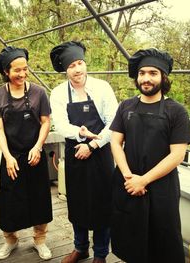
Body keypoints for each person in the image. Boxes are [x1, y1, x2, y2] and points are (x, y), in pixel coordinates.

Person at [109, 48, 190, 263]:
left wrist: (143, 180)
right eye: (142, 73)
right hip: (128, 183)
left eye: (153, 73)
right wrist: (129, 177)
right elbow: (116, 142)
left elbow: (177, 155)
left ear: (163, 77)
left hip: (161, 187)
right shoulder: (126, 106)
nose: (146, 78)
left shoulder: (177, 111)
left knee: (163, 238)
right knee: (130, 235)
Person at [50, 41, 118, 263]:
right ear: (65, 70)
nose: (77, 69)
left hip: (101, 152)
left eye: (80, 63)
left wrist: (93, 145)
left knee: (103, 204)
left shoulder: (102, 87)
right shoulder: (59, 93)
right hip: (74, 152)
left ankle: (100, 254)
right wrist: (80, 134)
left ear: (85, 64)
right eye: (71, 66)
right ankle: (81, 248)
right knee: (77, 203)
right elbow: (59, 124)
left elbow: (113, 122)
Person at [0, 46, 53, 260]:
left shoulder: (38, 93)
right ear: (6, 71)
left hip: (35, 155)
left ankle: (40, 241)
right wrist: (7, 156)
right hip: (11, 156)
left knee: (39, 199)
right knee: (9, 202)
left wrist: (37, 147)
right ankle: (11, 241)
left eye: (25, 69)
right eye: (17, 70)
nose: (22, 74)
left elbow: (45, 122)